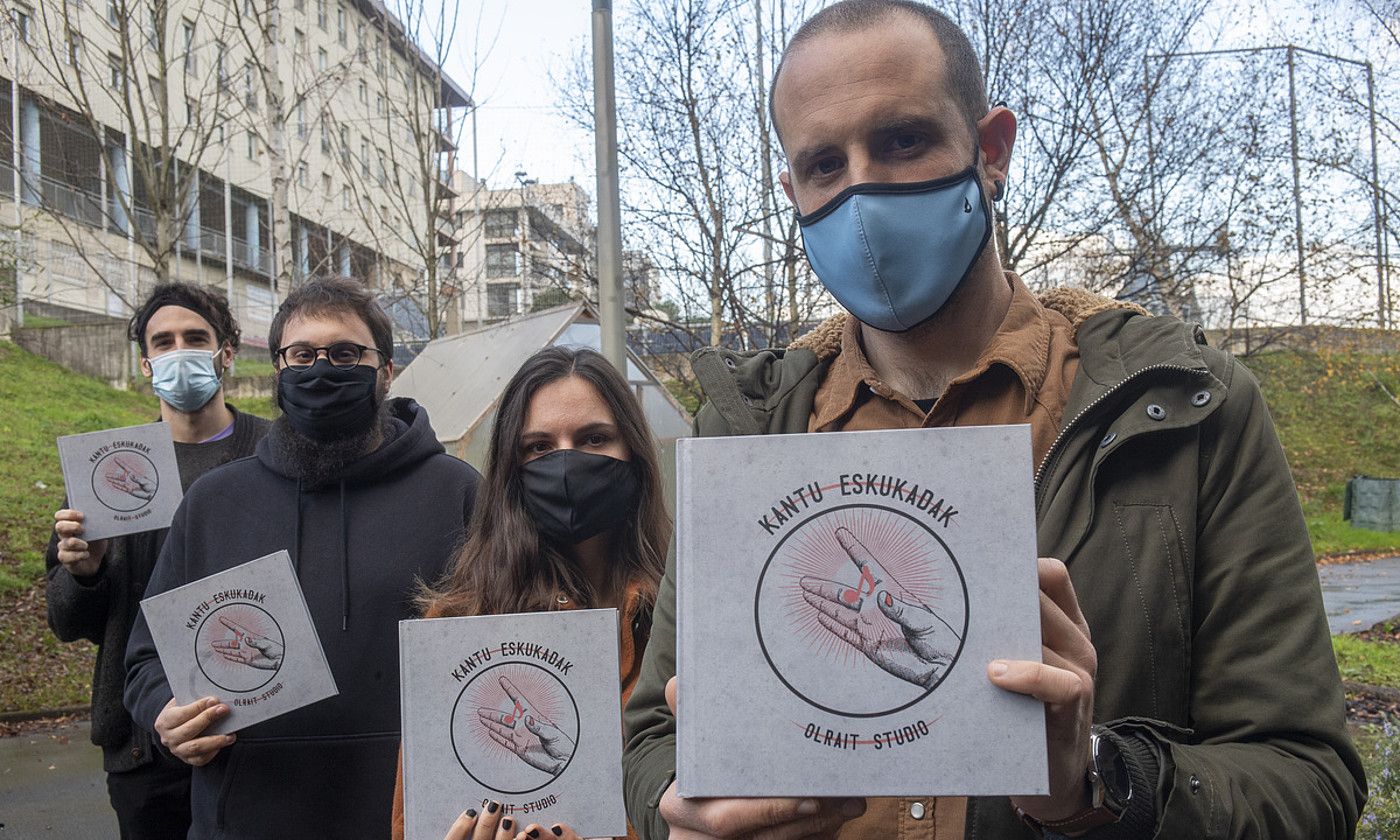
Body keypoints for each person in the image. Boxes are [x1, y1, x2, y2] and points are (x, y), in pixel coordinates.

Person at [621, 2, 1366, 838]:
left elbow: (1311, 783)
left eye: (904, 141)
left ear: (992, 150)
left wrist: (1100, 783)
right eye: (825, 165)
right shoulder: (747, 436)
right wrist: (672, 815)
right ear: (792, 191)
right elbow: (653, 740)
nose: (864, 190)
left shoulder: (1187, 413)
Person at [123, 277, 481, 839]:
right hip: (245, 817)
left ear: (386, 371)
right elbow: (146, 660)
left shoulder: (459, 494)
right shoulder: (214, 503)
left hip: (414, 820)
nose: (321, 369)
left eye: (344, 353)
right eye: (302, 355)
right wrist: (165, 712)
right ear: (279, 373)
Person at [390, 346, 669, 840]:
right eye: (538, 446)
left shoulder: (687, 614)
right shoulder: (457, 626)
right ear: (509, 468)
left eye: (594, 438)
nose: (565, 460)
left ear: (634, 452)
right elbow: (413, 820)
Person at [45, 282, 270, 840]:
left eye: (196, 338)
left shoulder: (275, 452)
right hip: (143, 745)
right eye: (163, 342)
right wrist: (84, 572)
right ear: (146, 364)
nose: (179, 353)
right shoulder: (109, 470)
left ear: (226, 353)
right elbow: (67, 623)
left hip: (261, 731)